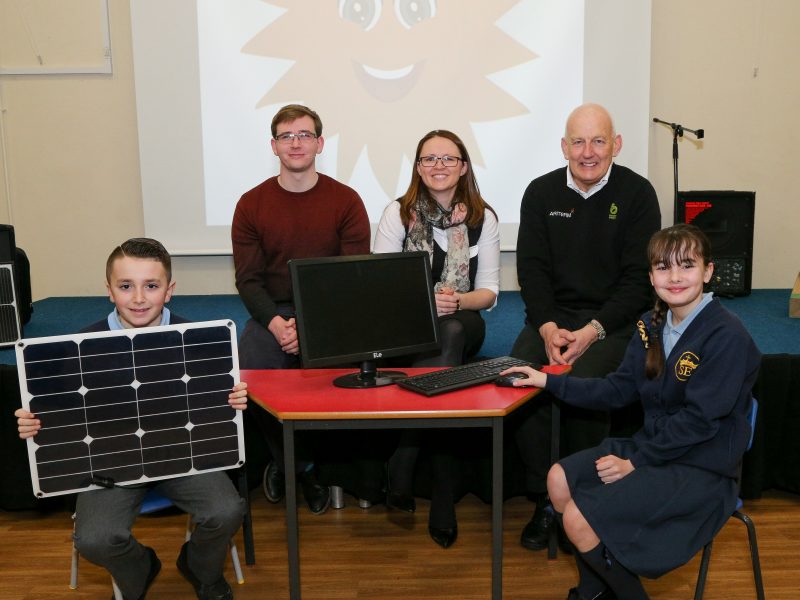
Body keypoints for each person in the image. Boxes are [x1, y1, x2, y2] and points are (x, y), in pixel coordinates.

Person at [501, 224, 762, 599]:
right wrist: (544, 380)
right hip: (658, 449)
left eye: (686, 266)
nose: (674, 277)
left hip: (702, 467)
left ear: (707, 271)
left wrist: (636, 461)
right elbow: (616, 389)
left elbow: (700, 421)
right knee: (557, 478)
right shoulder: (649, 325)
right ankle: (594, 591)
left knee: (578, 517)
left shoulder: (727, 335)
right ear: (651, 275)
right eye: (662, 267)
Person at [15, 238, 247, 600]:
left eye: (151, 286)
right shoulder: (79, 347)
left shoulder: (202, 341)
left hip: (182, 455)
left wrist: (233, 400)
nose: (138, 298)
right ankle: (140, 568)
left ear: (169, 291)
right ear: (109, 291)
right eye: (126, 286)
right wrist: (33, 424)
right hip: (111, 463)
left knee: (227, 510)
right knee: (94, 539)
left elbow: (216, 408)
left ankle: (201, 570)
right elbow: (58, 414)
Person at [511, 103, 661, 551]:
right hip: (550, 320)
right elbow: (531, 271)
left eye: (599, 141)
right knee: (520, 379)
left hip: (613, 323)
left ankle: (581, 499)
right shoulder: (540, 193)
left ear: (616, 144)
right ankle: (544, 497)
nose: (588, 152)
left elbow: (639, 282)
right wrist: (548, 329)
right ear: (564, 147)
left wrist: (593, 330)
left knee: (587, 381)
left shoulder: (638, 194)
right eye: (578, 141)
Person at [231, 104, 371, 514]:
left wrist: (307, 327)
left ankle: (324, 466)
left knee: (343, 367)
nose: (296, 143)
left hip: (330, 312)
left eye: (305, 135)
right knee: (252, 362)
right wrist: (277, 324)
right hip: (270, 312)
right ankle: (297, 465)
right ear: (274, 146)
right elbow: (248, 281)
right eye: (287, 136)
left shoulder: (345, 200)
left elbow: (351, 278)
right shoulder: (251, 204)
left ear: (320, 144)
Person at [373, 129, 500, 548]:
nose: (439, 166)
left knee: (454, 331)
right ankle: (443, 499)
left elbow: (489, 293)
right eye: (429, 159)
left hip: (464, 318)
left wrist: (457, 299)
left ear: (463, 166)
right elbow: (384, 287)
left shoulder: (484, 218)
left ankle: (404, 455)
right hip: (406, 324)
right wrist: (427, 303)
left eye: (448, 159)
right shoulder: (398, 214)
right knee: (445, 356)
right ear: (418, 167)